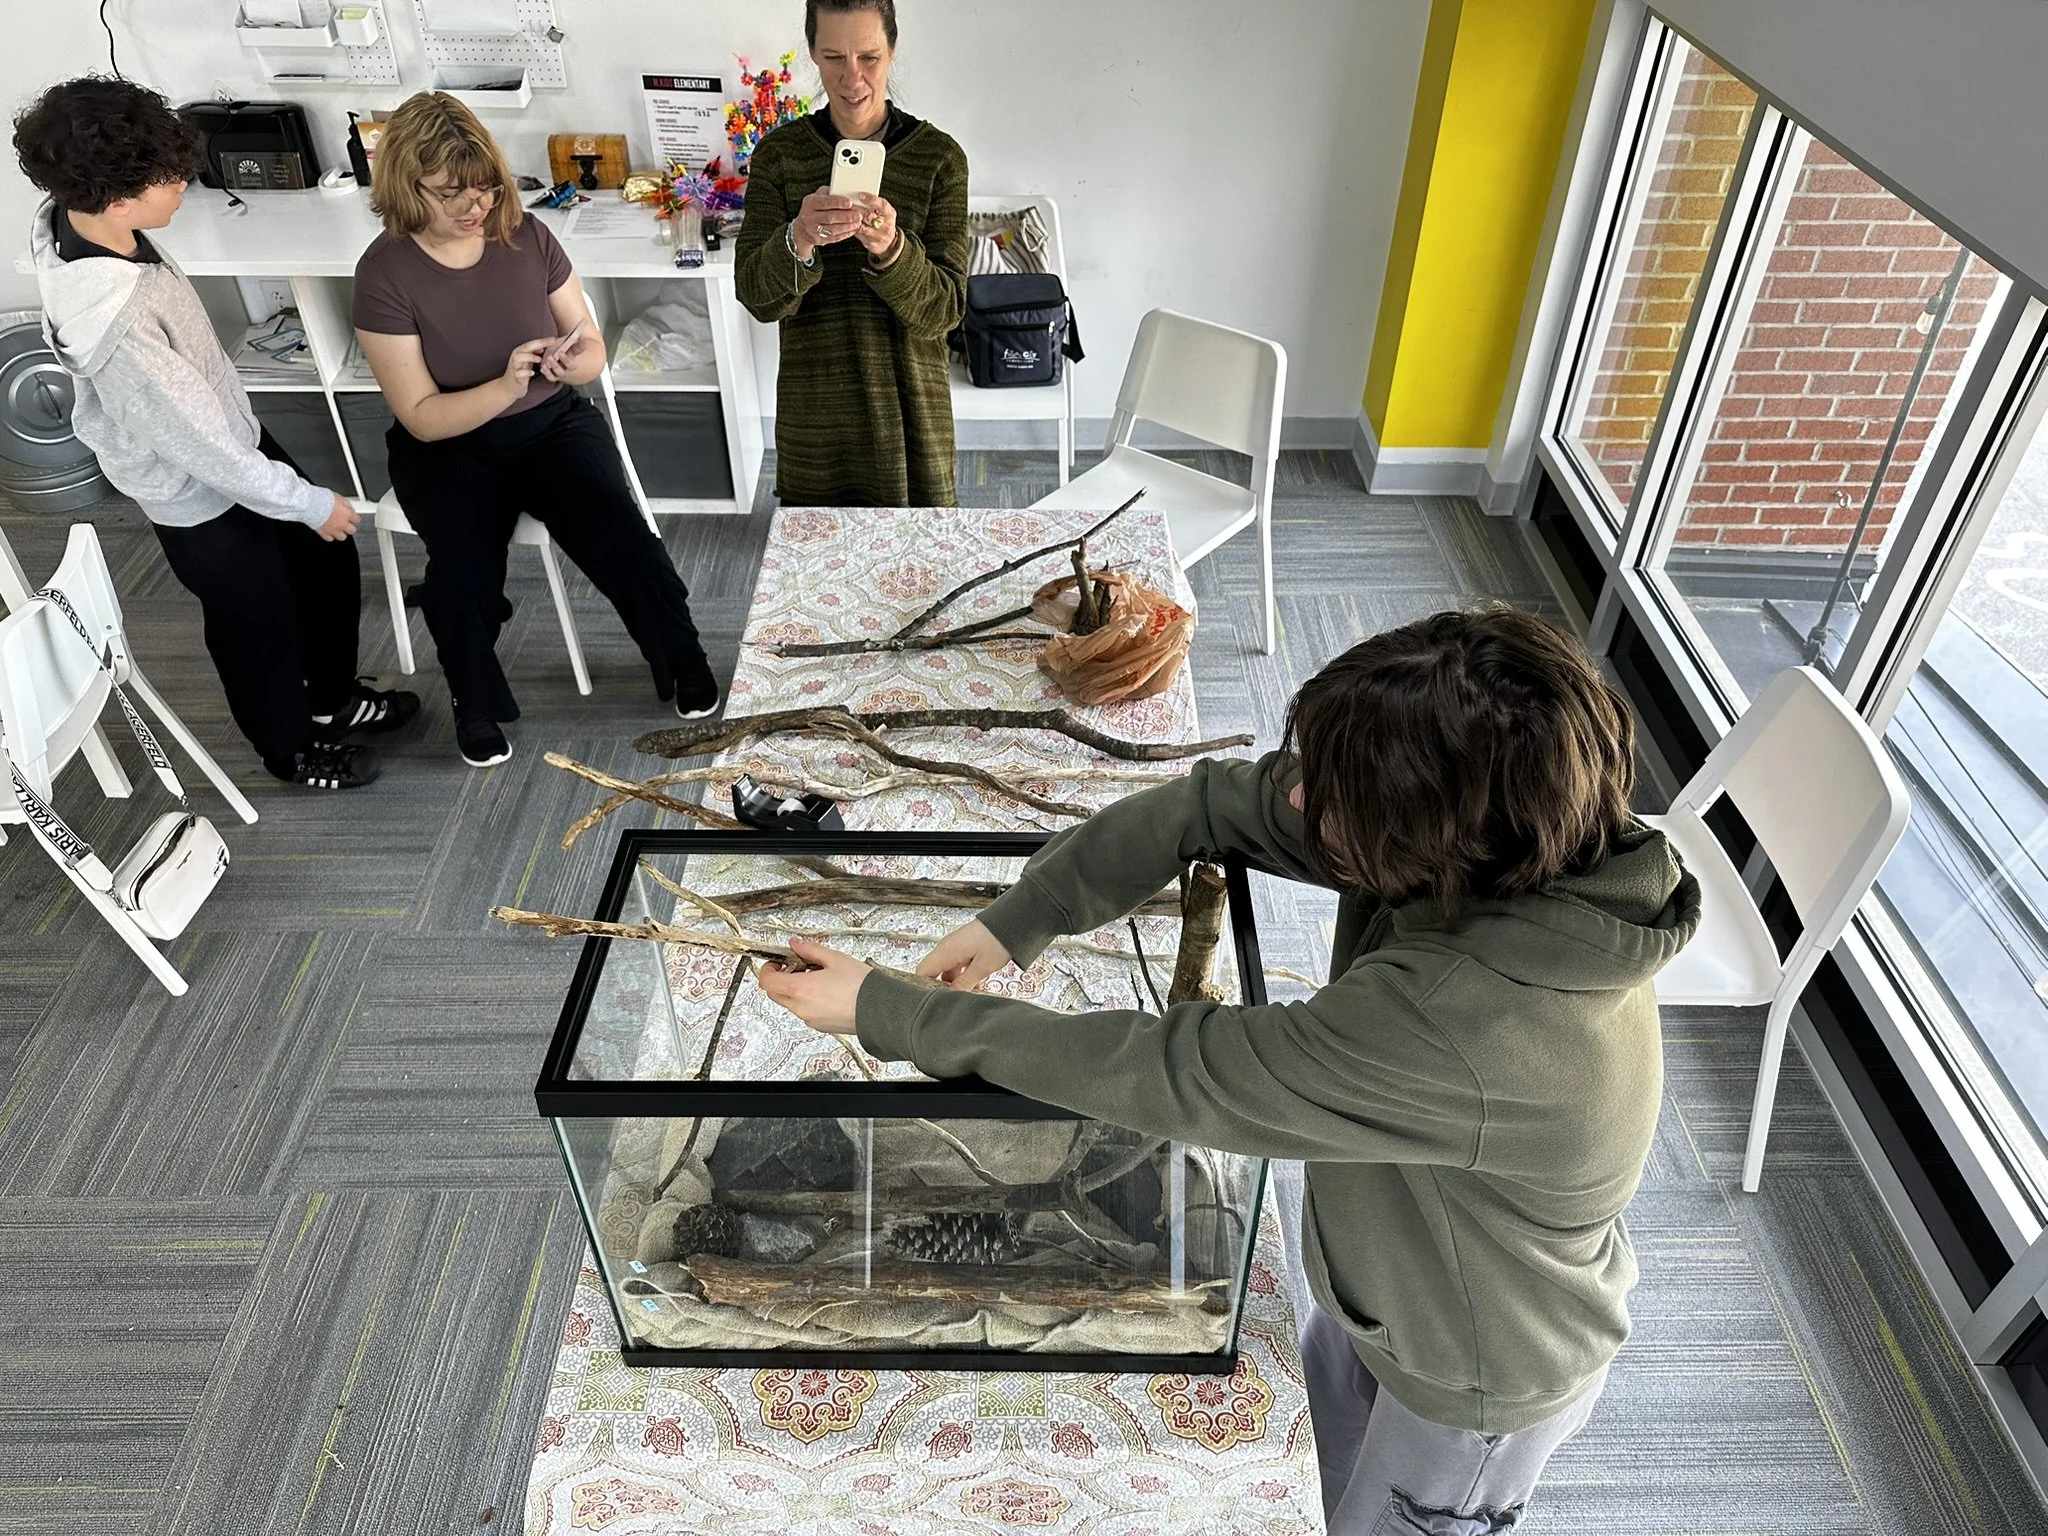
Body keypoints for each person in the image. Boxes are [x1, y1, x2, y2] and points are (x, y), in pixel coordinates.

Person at [759, 606, 1700, 1535]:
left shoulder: (1468, 1025)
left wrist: (898, 1014)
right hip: (1391, 1278)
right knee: (1315, 1482)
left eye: (1329, 796)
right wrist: (1022, 918)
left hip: (1480, 1370)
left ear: (1433, 838)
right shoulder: (1513, 832)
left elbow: (1186, 1073)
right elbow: (1215, 802)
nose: (1296, 799)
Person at [16, 76, 415, 791]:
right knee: (254, 621)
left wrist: (299, 506)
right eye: (171, 178)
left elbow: (207, 433)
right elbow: (199, 450)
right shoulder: (120, 324)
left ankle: (329, 700)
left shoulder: (77, 218)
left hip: (224, 436)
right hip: (194, 486)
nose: (184, 185)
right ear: (117, 198)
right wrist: (307, 502)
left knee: (322, 565)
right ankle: (289, 750)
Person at [353, 92, 718, 769]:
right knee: (462, 580)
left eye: (485, 187)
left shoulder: (528, 235)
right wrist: (503, 386)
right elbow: (422, 415)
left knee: (625, 538)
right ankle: (474, 699)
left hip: (550, 426)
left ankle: (683, 656)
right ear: (407, 187)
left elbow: (591, 345)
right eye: (450, 194)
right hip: (450, 446)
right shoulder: (384, 274)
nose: (475, 208)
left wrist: (575, 357)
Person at [735, 0, 970, 507]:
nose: (852, 77)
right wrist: (798, 239)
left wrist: (893, 249)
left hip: (911, 421)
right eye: (833, 57)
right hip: (816, 420)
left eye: (868, 57)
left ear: (892, 50)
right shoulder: (780, 155)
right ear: (813, 56)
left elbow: (945, 310)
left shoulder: (939, 159)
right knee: (815, 576)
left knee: (920, 577)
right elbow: (756, 296)